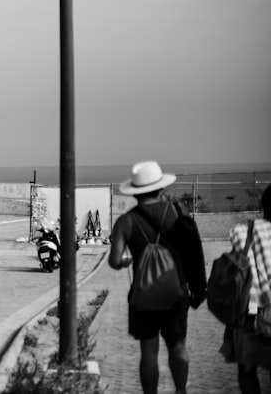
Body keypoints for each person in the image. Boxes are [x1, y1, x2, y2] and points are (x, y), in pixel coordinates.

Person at [108, 161, 206, 394]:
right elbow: (194, 253)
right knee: (178, 345)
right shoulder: (177, 212)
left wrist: (124, 262)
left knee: (149, 351)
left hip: (144, 296)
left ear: (135, 191)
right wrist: (198, 289)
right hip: (176, 293)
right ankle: (180, 391)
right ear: (160, 188)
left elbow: (113, 260)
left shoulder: (126, 221)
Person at [222, 184, 271, 393]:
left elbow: (237, 265)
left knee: (247, 371)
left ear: (263, 206)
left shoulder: (246, 231)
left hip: (249, 312)